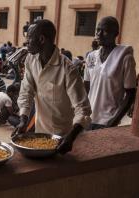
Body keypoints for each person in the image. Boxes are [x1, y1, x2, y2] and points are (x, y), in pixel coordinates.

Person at [15, 19, 91, 154]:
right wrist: (23, 120)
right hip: (39, 134)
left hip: (63, 138)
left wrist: (71, 138)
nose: (26, 43)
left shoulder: (68, 69)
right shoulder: (30, 60)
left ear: (42, 39)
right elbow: (26, 92)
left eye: (29, 39)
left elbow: (83, 109)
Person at [84, 16, 137, 130]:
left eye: (105, 31)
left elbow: (130, 94)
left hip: (107, 121)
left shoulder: (125, 58)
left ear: (116, 34)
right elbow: (86, 88)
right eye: (98, 30)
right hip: (87, 119)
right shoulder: (91, 57)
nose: (99, 34)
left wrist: (113, 121)